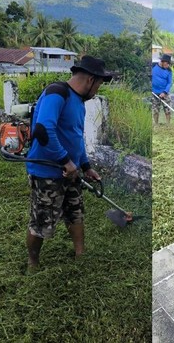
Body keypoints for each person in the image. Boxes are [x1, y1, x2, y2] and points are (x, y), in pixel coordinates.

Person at [25, 55, 111, 267]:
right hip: (47, 171)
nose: (97, 90)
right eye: (99, 84)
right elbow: (44, 130)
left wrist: (85, 166)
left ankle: (81, 254)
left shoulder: (79, 103)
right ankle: (33, 262)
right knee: (42, 220)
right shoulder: (57, 93)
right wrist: (66, 161)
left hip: (70, 171)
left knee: (75, 212)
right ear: (90, 80)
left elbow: (75, 137)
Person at [152, 54, 173, 125]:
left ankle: (168, 124)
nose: (168, 66)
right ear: (163, 61)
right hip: (154, 93)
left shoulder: (169, 70)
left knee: (167, 109)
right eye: (167, 64)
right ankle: (156, 124)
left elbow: (170, 83)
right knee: (155, 110)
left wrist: (164, 92)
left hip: (165, 93)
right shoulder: (153, 66)